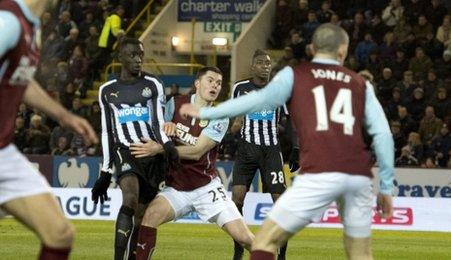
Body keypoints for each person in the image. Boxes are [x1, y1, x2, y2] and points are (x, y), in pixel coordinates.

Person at [180, 23, 395, 260]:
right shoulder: (360, 83)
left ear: (312, 49)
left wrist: (207, 113)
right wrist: (385, 186)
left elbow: (251, 103)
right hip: (355, 174)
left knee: (264, 241)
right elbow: (384, 136)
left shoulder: (296, 76)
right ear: (343, 51)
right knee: (360, 251)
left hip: (319, 171)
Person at [0, 1, 98, 259]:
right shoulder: (8, 21)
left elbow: (19, 77)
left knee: (59, 233)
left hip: (3, 153)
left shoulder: (31, 24)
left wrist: (63, 115)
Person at [128, 66, 254, 259]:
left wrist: (161, 148)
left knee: (245, 238)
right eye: (210, 80)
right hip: (176, 188)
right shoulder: (175, 104)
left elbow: (197, 152)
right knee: (150, 217)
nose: (215, 86)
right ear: (197, 84)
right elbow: (158, 130)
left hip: (206, 188)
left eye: (219, 83)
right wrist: (165, 127)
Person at [90, 38, 179, 260]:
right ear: (120, 58)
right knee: (129, 198)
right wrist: (105, 171)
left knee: (142, 216)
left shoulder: (153, 85)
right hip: (125, 151)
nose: (138, 59)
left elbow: (159, 123)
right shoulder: (106, 91)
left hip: (150, 154)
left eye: (141, 54)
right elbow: (107, 132)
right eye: (132, 55)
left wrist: (167, 146)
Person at [229, 49, 298, 260]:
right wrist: (229, 136)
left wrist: (295, 147)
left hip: (271, 151)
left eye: (268, 63)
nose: (266, 66)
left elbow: (291, 120)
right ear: (252, 66)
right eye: (261, 62)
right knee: (236, 199)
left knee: (280, 202)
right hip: (246, 150)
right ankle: (239, 249)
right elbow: (233, 122)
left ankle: (282, 254)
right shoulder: (240, 88)